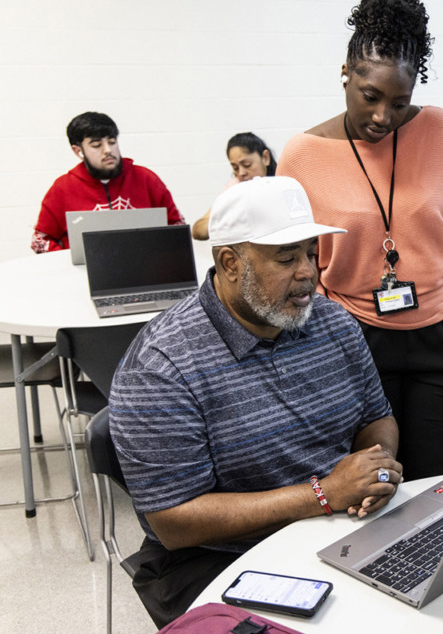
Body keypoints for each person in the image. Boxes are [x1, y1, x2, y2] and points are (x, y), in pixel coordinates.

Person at [109, 176, 402, 627]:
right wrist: (324, 495)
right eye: (286, 258)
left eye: (311, 252)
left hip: (336, 524)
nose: (308, 272)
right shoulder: (161, 365)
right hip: (214, 557)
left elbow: (377, 418)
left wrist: (374, 469)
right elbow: (175, 522)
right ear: (230, 263)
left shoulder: (334, 323)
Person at [277, 0, 443, 480]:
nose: (383, 117)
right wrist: (322, 332)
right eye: (370, 97)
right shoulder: (301, 155)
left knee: (436, 484)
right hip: (353, 339)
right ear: (346, 74)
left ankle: (431, 560)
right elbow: (294, 259)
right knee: (372, 486)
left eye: (399, 102)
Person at [31, 111, 184, 253]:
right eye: (97, 145)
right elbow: (39, 240)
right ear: (78, 151)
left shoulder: (146, 178)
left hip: (147, 271)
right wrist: (70, 263)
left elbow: (178, 226)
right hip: (83, 277)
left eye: (112, 142)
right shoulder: (62, 188)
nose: (107, 150)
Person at [192, 132, 277, 240]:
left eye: (247, 165)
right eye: (235, 168)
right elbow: (199, 231)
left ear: (265, 158)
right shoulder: (234, 187)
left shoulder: (281, 183)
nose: (241, 173)